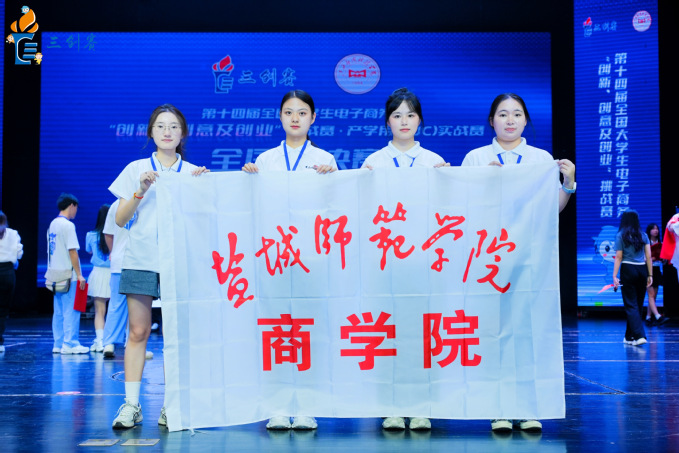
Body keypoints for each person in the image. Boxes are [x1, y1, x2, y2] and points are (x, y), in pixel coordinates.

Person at [461, 93, 576, 433]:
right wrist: (482, 182)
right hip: (487, 260)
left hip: (529, 258)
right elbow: (461, 207)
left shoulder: (540, 159)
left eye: (516, 114)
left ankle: (527, 407)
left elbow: (551, 208)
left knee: (527, 333)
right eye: (502, 114)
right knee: (491, 333)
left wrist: (568, 183)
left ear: (526, 120)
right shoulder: (476, 158)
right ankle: (497, 408)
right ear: (491, 120)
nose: (510, 120)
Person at [109, 104, 209, 430]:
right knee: (137, 332)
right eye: (161, 126)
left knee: (175, 337)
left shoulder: (193, 173)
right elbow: (120, 219)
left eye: (174, 126)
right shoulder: (136, 169)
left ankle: (171, 406)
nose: (167, 132)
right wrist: (141, 190)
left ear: (183, 134)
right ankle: (131, 404)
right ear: (151, 132)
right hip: (141, 259)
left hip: (179, 261)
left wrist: (202, 190)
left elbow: (205, 224)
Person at [243, 90, 336, 431]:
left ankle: (308, 405)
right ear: (279, 117)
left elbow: (336, 208)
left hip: (311, 258)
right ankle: (279, 405)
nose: (295, 118)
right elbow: (251, 206)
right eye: (288, 112)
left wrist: (332, 180)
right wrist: (247, 180)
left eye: (302, 112)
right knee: (278, 329)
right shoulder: (266, 160)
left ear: (313, 117)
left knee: (310, 330)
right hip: (275, 258)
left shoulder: (325, 158)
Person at [361, 87, 448, 431]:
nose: (404, 121)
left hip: (424, 264)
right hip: (386, 264)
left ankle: (422, 403)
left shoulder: (434, 161)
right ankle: (391, 405)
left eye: (410, 115)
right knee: (388, 331)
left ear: (420, 120)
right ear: (387, 122)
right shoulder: (374, 162)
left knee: (423, 333)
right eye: (397, 115)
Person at [47, 193, 89, 354]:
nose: (76, 211)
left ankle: (58, 344)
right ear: (72, 205)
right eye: (76, 207)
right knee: (71, 310)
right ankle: (70, 343)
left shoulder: (53, 224)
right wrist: (80, 274)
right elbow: (73, 251)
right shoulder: (68, 225)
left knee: (58, 312)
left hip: (55, 274)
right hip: (68, 275)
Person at [613, 210, 652, 347]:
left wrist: (614, 276)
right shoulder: (644, 235)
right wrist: (650, 274)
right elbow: (648, 257)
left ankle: (639, 336)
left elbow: (618, 257)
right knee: (637, 305)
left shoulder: (620, 235)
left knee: (631, 305)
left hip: (628, 269)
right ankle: (629, 336)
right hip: (642, 270)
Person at [86, 204, 111, 352]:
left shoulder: (90, 235)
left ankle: (100, 341)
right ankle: (114, 341)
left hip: (98, 273)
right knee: (115, 310)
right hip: (113, 273)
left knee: (99, 311)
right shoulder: (115, 234)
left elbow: (89, 251)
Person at [0, 211, 23, 353]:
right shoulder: (13, 234)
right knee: (2, 309)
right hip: (7, 273)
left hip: (7, 270)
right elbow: (19, 254)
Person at [644, 223, 668, 326]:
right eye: (653, 229)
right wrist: (652, 258)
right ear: (649, 231)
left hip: (657, 270)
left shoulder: (661, 243)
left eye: (657, 229)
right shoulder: (645, 243)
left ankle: (648, 317)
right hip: (648, 270)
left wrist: (663, 259)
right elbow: (643, 259)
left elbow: (664, 261)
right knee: (651, 294)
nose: (656, 230)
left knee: (654, 296)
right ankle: (658, 317)